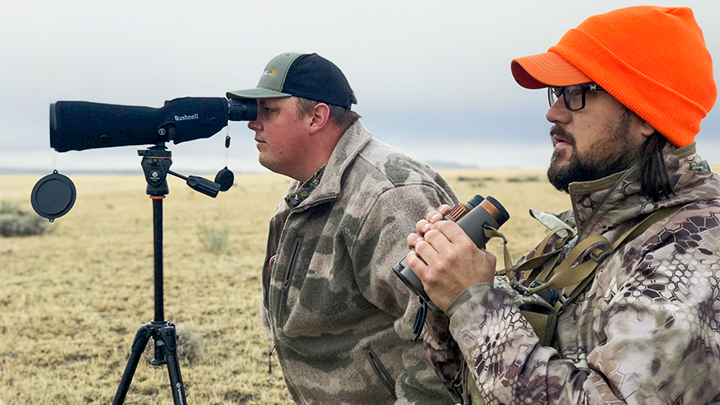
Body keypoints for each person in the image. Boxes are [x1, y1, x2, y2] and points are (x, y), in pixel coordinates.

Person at [406, 6, 720, 404]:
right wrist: (443, 293)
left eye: (575, 93)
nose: (553, 113)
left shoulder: (696, 249)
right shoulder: (590, 229)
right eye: (557, 93)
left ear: (645, 114)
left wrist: (474, 303)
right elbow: (477, 383)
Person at [227, 52, 457, 404]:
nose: (253, 123)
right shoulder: (311, 186)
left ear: (316, 117)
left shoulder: (387, 195)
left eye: (268, 111)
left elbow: (444, 338)